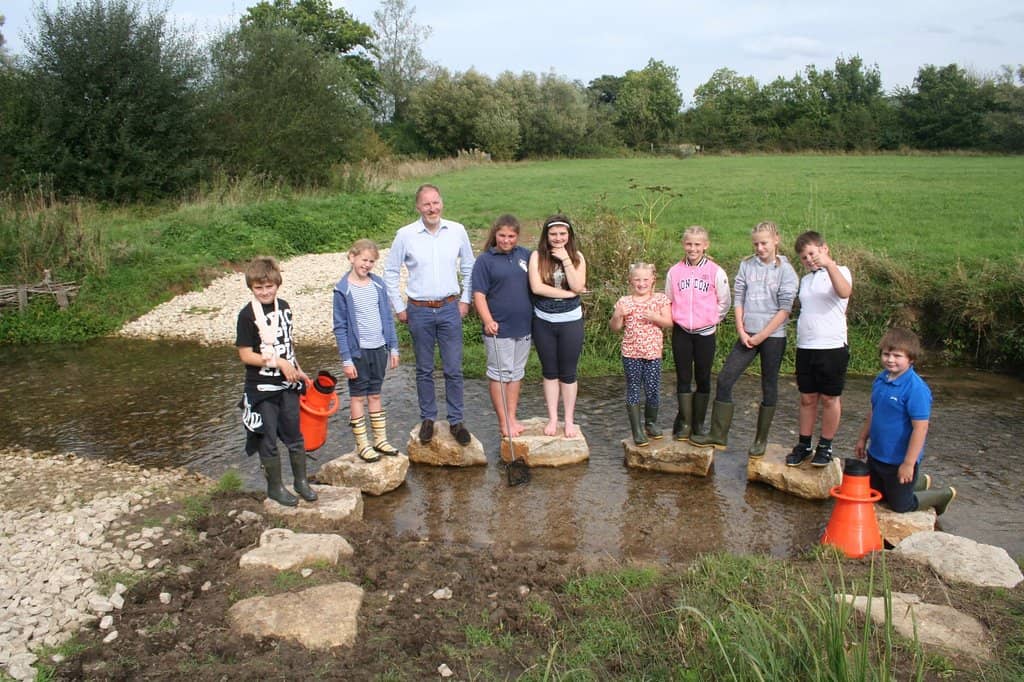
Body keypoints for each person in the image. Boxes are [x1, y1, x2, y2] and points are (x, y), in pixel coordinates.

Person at [692, 221, 798, 455]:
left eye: (764, 243)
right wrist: (741, 329)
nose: (759, 248)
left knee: (768, 385)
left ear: (776, 240)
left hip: (773, 336)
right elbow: (738, 297)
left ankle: (760, 440)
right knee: (725, 379)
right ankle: (718, 435)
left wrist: (762, 335)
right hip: (746, 333)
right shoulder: (746, 265)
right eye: (756, 243)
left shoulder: (786, 271)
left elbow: (785, 309)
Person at [384, 184, 475, 446]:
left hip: (449, 307)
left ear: (442, 203)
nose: (432, 208)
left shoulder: (457, 231)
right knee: (424, 369)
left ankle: (456, 421)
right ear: (418, 207)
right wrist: (399, 307)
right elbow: (390, 272)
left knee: (453, 368)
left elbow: (469, 266)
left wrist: (466, 300)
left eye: (436, 203)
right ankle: (428, 419)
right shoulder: (405, 234)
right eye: (426, 204)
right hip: (419, 310)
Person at [236, 256, 317, 507]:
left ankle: (301, 482)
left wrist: (298, 369)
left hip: (287, 386)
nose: (264, 292)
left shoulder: (285, 307)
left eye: (268, 286)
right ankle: (275, 488)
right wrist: (279, 363)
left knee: (295, 435)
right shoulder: (247, 315)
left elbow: (287, 346)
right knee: (267, 439)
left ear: (277, 284)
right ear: (251, 288)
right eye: (258, 288)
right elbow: (245, 355)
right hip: (262, 388)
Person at [854, 328, 956, 514]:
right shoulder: (881, 379)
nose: (890, 359)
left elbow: (920, 429)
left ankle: (941, 495)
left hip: (898, 459)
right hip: (877, 454)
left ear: (911, 359)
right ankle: (919, 482)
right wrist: (862, 438)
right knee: (876, 495)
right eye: (886, 354)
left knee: (901, 506)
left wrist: (908, 464)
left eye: (897, 355)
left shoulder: (916, 389)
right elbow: (873, 411)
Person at [787, 231, 853, 467]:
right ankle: (804, 444)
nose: (809, 259)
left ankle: (825, 445)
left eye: (812, 253)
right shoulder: (806, 280)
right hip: (806, 346)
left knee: (829, 398)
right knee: (807, 398)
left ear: (824, 249)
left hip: (832, 346)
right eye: (804, 257)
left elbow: (844, 292)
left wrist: (829, 265)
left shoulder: (841, 271)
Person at [333, 239, 401, 462]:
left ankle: (380, 439)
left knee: (375, 393)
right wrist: (346, 359)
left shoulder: (378, 285)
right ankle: (362, 443)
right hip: (357, 352)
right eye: (364, 260)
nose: (368, 264)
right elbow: (340, 327)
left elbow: (388, 320)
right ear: (352, 257)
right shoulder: (342, 290)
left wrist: (393, 348)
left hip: (378, 348)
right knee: (357, 397)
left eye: (372, 261)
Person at [664, 226, 730, 441]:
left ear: (705, 245)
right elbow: (669, 298)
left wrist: (711, 319)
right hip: (682, 332)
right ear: (684, 245)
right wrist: (677, 318)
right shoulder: (674, 272)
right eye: (689, 244)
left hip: (705, 333)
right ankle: (684, 421)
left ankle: (699, 423)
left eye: (697, 244)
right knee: (683, 377)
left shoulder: (715, 271)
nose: (692, 248)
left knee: (703, 376)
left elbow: (725, 301)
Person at [472, 215, 533, 438]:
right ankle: (503, 421)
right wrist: (487, 320)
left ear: (517, 236)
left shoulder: (525, 255)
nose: (506, 240)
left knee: (516, 373)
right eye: (502, 236)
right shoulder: (485, 261)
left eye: (511, 236)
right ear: (495, 235)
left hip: (523, 326)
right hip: (498, 328)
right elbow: (479, 294)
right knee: (500, 374)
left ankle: (512, 417)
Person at [529, 214, 587, 438]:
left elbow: (578, 284)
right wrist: (568, 294)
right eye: (553, 234)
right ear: (546, 235)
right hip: (543, 320)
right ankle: (553, 418)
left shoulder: (577, 257)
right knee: (550, 371)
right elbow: (537, 288)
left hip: (570, 321)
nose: (558, 238)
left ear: (569, 235)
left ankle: (569, 420)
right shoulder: (537, 256)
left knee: (569, 373)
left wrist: (565, 259)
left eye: (563, 233)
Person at [610, 262, 673, 445]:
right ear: (630, 280)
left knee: (652, 390)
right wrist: (617, 315)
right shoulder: (624, 301)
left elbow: (669, 322)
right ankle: (637, 430)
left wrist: (656, 318)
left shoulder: (660, 299)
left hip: (653, 353)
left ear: (653, 279)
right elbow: (615, 328)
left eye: (645, 279)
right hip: (631, 353)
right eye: (637, 279)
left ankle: (651, 423)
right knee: (633, 389)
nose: (641, 283)